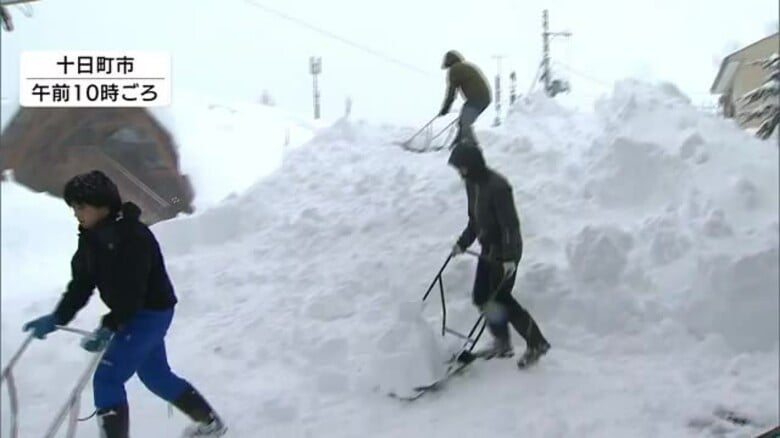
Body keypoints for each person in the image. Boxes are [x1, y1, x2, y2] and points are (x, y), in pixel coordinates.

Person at [21, 170, 227, 438]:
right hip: (132, 313)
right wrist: (57, 317)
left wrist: (110, 324)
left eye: (81, 207)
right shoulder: (91, 238)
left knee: (108, 378)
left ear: (103, 206)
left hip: (149, 313)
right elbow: (81, 285)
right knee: (155, 375)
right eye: (73, 207)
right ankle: (211, 425)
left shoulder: (133, 238)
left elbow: (132, 293)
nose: (76, 213)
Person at [447, 143, 551, 369]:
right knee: (481, 297)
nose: (459, 172)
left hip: (506, 251)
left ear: (472, 165)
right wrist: (462, 243)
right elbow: (475, 221)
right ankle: (502, 342)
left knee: (500, 298)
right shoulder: (472, 185)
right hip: (488, 251)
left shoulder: (498, 187)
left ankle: (537, 343)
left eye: (461, 167)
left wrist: (509, 259)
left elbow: (510, 226)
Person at [438, 50, 492, 148]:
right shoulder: (466, 66)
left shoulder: (454, 69)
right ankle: (457, 145)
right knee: (463, 122)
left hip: (476, 98)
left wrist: (445, 109)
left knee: (465, 123)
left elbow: (451, 93)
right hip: (484, 98)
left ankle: (472, 147)